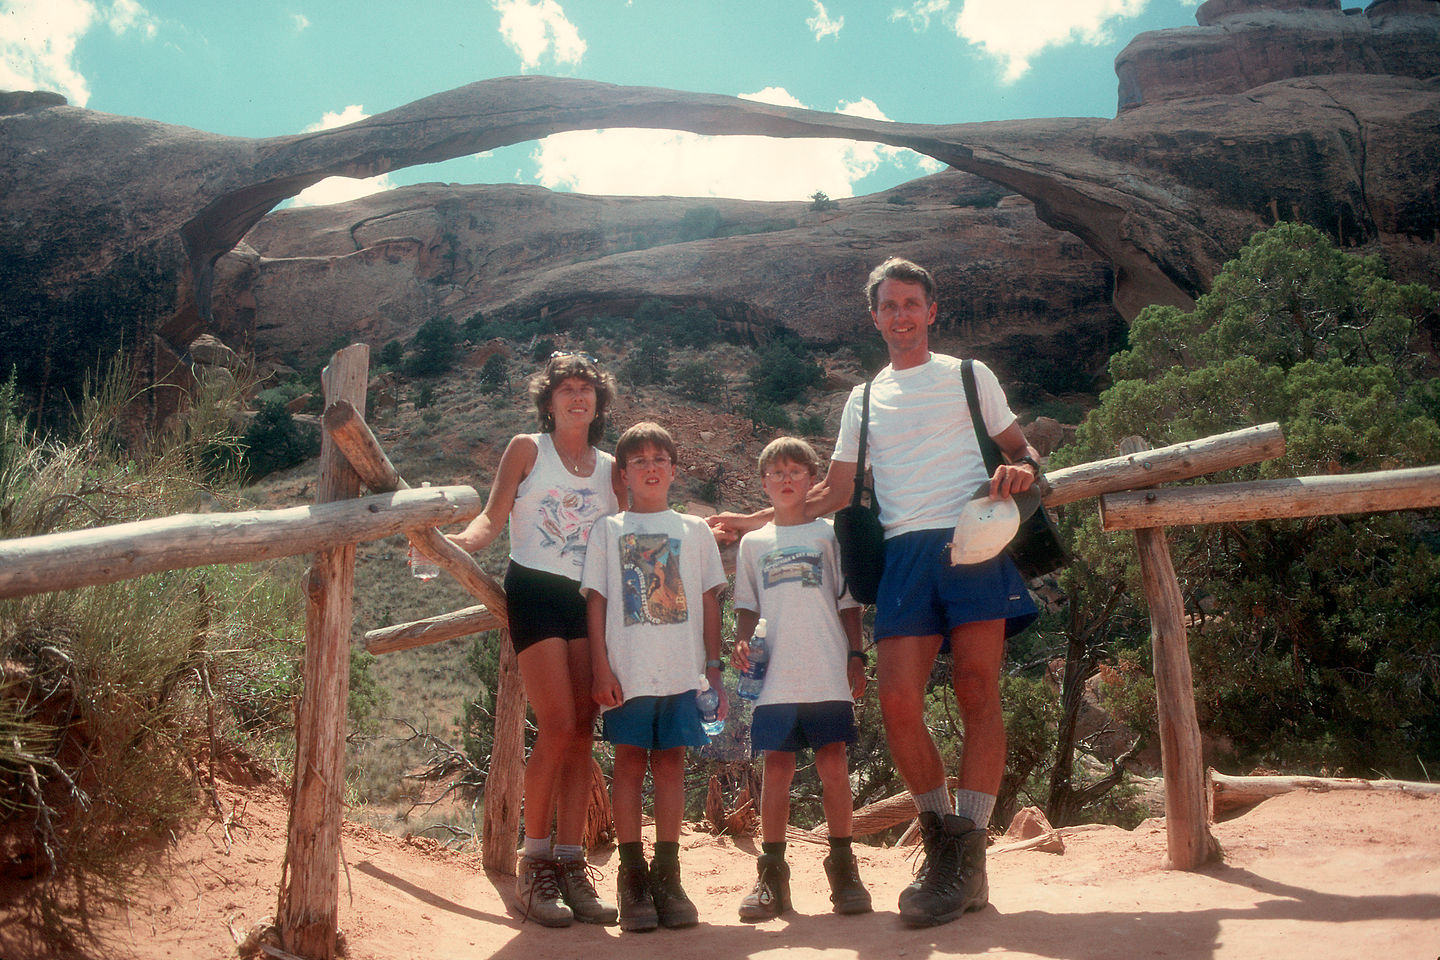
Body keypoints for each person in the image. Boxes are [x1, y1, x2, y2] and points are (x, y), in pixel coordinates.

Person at [710, 257, 1042, 928]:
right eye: (889, 305)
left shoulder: (968, 375)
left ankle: (966, 854)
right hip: (902, 553)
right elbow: (832, 491)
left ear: (931, 310)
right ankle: (942, 836)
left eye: (911, 303)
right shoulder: (863, 398)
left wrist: (1019, 470)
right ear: (875, 317)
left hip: (973, 538)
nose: (900, 315)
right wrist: (753, 519)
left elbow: (1024, 451)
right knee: (896, 701)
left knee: (979, 688)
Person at [446, 352, 625, 928]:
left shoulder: (609, 465)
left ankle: (571, 865)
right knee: (555, 725)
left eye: (586, 389)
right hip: (536, 592)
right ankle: (535, 863)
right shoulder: (528, 449)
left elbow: (632, 528)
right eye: (566, 389)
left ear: (599, 402)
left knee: (582, 731)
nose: (577, 397)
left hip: (588, 600)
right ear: (547, 401)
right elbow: (492, 519)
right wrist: (453, 545)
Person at [581, 422, 728, 933]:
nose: (649, 467)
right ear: (622, 474)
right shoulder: (608, 530)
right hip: (628, 673)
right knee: (628, 765)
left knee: (670, 764)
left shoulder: (695, 530)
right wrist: (600, 667)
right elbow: (597, 603)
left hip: (682, 672)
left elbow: (710, 601)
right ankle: (631, 873)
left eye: (658, 458)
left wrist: (713, 668)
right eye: (638, 460)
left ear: (673, 469)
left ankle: (669, 873)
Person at [729, 436, 871, 922]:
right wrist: (741, 642)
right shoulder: (754, 543)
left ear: (812, 479)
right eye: (776, 473)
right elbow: (746, 604)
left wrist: (856, 655)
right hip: (775, 675)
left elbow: (847, 602)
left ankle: (844, 868)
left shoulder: (829, 536)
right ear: (764, 483)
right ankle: (771, 874)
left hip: (827, 667)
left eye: (796, 471)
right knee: (777, 768)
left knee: (834, 762)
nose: (786, 479)